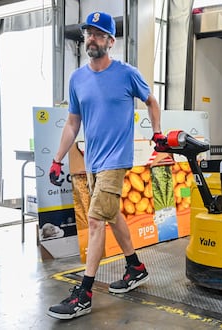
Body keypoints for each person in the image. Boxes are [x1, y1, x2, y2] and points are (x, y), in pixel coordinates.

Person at [47, 11, 167, 320]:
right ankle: (135, 267)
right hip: (93, 161)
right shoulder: (78, 78)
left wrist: (156, 133)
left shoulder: (126, 73)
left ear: (111, 41)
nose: (92, 38)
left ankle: (84, 294)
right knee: (112, 216)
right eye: (89, 32)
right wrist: (57, 159)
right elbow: (73, 122)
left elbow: (151, 101)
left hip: (116, 160)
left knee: (96, 219)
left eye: (99, 34)